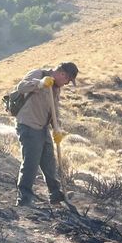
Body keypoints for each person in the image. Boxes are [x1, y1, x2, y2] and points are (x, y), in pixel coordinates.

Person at [13, 62, 79, 207]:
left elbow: (54, 110)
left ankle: (55, 194)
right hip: (28, 124)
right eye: (68, 80)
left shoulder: (56, 87)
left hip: (43, 128)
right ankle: (24, 199)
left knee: (49, 162)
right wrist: (40, 84)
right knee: (31, 162)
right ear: (62, 74)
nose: (67, 83)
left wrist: (57, 129)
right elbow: (21, 87)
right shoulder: (39, 74)